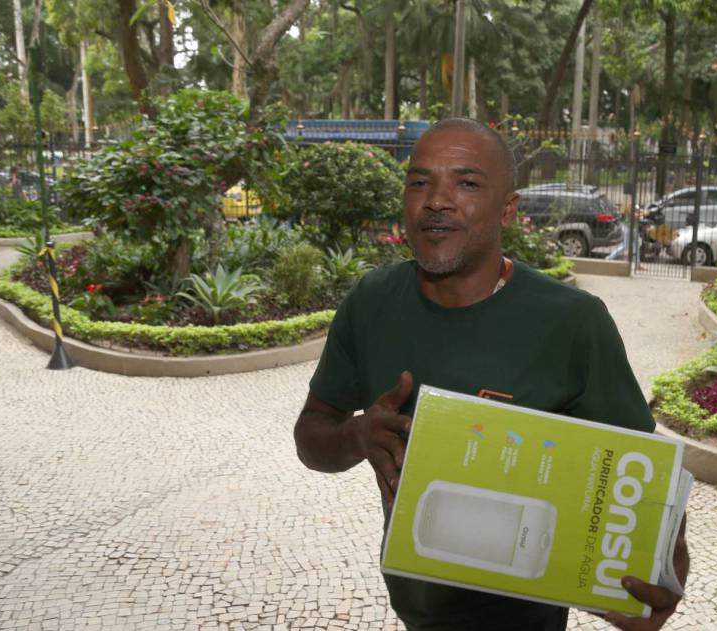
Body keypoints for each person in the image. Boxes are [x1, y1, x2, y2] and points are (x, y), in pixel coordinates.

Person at [293, 118, 689, 631]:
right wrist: (357, 435)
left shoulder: (571, 322)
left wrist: (664, 575)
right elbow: (311, 434)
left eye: (467, 182)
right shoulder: (370, 303)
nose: (437, 199)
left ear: (508, 209)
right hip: (415, 616)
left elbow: (645, 475)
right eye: (419, 182)